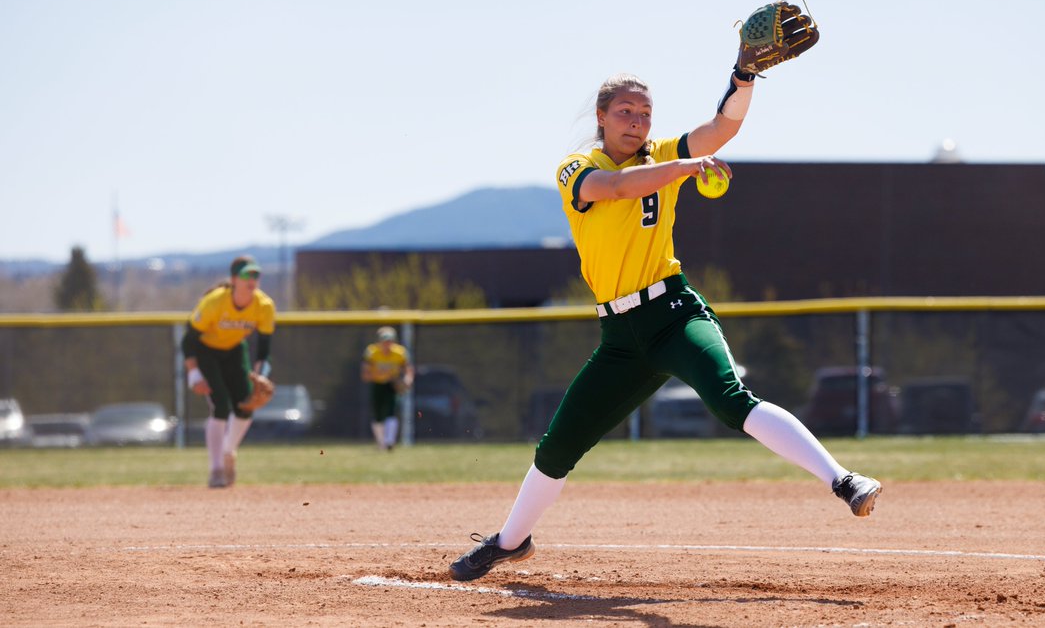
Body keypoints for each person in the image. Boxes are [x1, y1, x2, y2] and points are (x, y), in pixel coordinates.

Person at [449, 66, 882, 582]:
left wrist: (744, 78)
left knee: (730, 400)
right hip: (620, 338)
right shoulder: (577, 167)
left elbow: (723, 129)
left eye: (646, 114)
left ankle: (844, 481)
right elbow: (613, 187)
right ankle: (510, 543)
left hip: (673, 314)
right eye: (626, 112)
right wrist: (685, 167)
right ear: (602, 118)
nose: (637, 122)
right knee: (559, 445)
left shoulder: (666, 154)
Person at [182, 255, 276, 488]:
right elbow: (188, 340)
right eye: (246, 274)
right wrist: (193, 373)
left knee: (246, 405)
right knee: (221, 406)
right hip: (207, 351)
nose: (252, 279)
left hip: (235, 351)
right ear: (234, 279)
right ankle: (215, 469)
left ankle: (228, 453)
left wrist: (261, 375)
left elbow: (264, 349)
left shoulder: (264, 306)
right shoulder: (215, 302)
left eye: (256, 274)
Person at [361, 326, 414, 451]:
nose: (387, 344)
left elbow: (408, 369)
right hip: (378, 384)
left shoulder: (400, 352)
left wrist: (407, 380)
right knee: (378, 414)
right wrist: (381, 375)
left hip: (391, 385)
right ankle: (381, 443)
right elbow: (365, 374)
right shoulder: (372, 352)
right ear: (379, 342)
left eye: (389, 341)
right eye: (384, 341)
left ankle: (389, 442)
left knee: (391, 411)